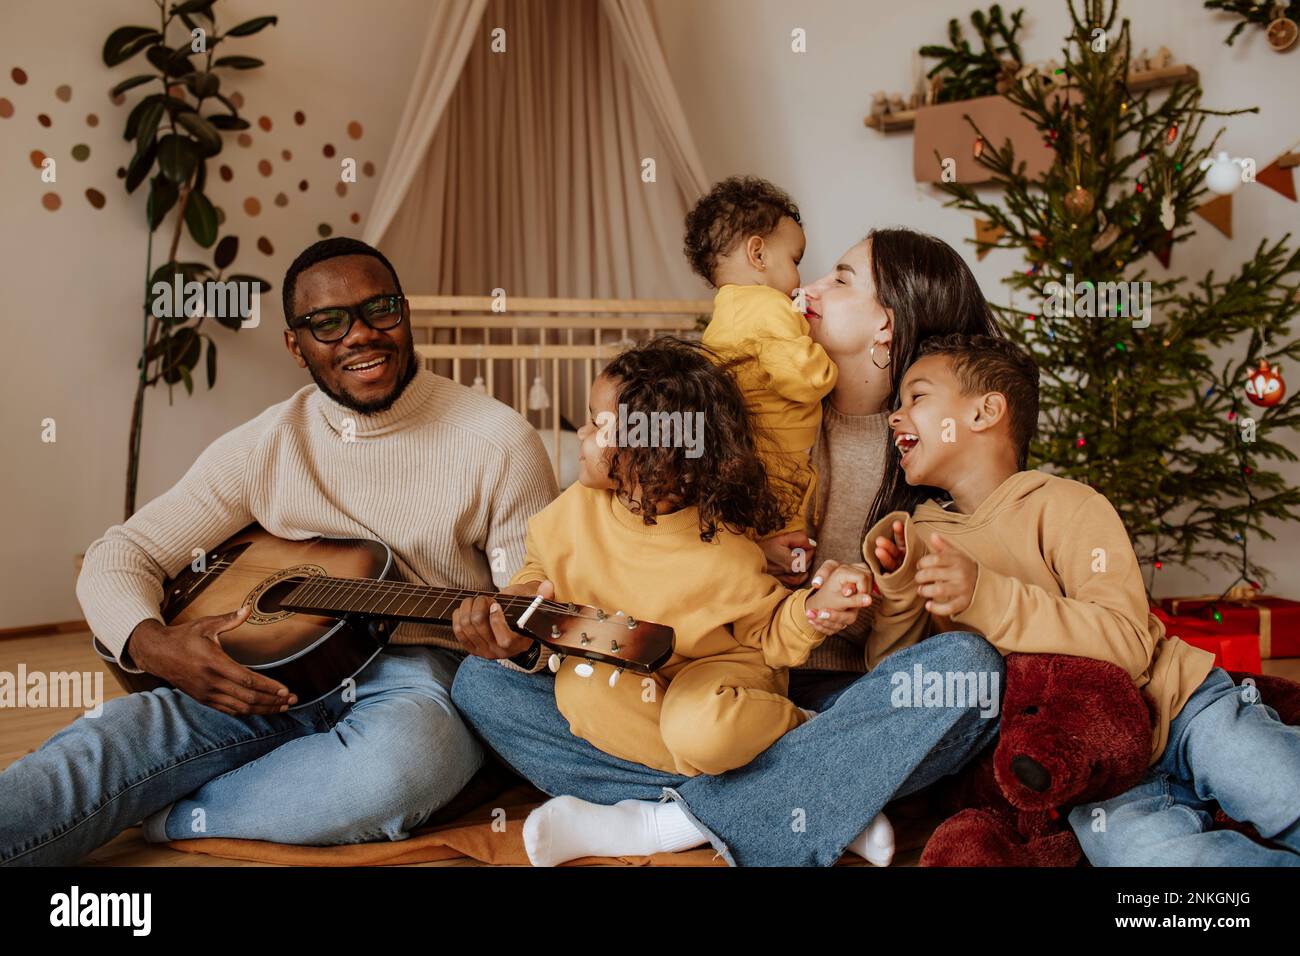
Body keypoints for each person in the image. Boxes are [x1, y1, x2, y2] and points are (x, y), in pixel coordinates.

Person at [451, 227, 1007, 867]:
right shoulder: (737, 408)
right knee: (480, 686)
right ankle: (814, 800)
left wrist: (865, 591)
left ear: (889, 324)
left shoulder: (930, 440)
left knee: (968, 673)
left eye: (841, 279)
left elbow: (949, 611)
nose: (805, 285)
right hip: (678, 683)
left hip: (828, 699)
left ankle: (669, 821)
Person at [0, 237, 558, 866]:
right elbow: (120, 553)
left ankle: (174, 813)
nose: (360, 336)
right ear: (296, 346)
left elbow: (530, 616)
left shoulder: (499, 440)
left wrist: (519, 644)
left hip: (417, 678)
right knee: (104, 747)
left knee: (403, 770)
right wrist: (153, 643)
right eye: (328, 322)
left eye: (381, 310)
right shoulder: (265, 443)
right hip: (258, 668)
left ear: (405, 313)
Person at [864, 332, 1300, 867]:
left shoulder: (1066, 505)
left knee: (1275, 782)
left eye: (917, 397)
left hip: (1181, 707)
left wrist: (986, 595)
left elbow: (1128, 642)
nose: (895, 415)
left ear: (985, 411)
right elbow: (899, 687)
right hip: (1087, 768)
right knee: (1151, 859)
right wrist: (898, 594)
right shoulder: (924, 532)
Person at [689, 176, 838, 536]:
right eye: (795, 259)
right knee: (790, 530)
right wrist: (824, 353)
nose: (799, 278)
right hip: (777, 459)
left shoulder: (725, 313)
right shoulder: (769, 305)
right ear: (758, 254)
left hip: (739, 456)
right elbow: (805, 379)